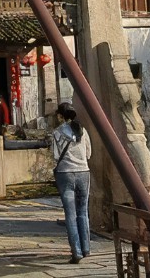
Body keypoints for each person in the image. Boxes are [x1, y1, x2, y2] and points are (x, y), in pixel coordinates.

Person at [51, 102, 92, 264]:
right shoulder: (83, 131)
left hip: (65, 174)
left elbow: (55, 156)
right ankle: (86, 247)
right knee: (83, 211)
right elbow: (89, 153)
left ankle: (76, 251)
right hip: (84, 173)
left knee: (70, 214)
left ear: (61, 116)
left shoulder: (57, 133)